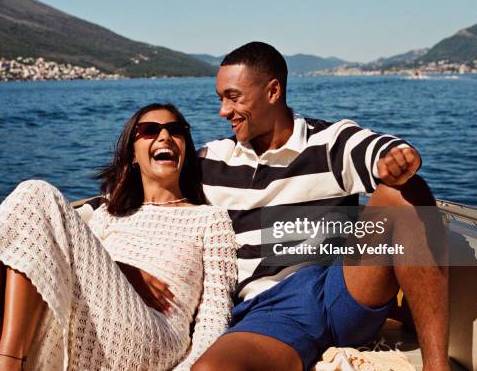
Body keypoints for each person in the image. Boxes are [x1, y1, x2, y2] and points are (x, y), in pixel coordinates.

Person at [0, 103, 237, 371]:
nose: (164, 136)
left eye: (176, 130)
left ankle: (10, 360)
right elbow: (66, 268)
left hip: (152, 337)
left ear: (186, 147)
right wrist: (124, 270)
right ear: (133, 155)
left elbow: (214, 317)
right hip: (82, 326)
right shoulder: (107, 215)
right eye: (149, 130)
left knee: (37, 193)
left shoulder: (209, 219)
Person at [189, 42, 449, 371]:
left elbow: (378, 149)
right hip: (273, 309)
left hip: (342, 289)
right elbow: (154, 199)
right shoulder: (210, 162)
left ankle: (437, 366)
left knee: (402, 192)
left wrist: (399, 160)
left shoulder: (329, 142)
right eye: (220, 98)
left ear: (273, 91)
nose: (223, 111)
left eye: (233, 97)